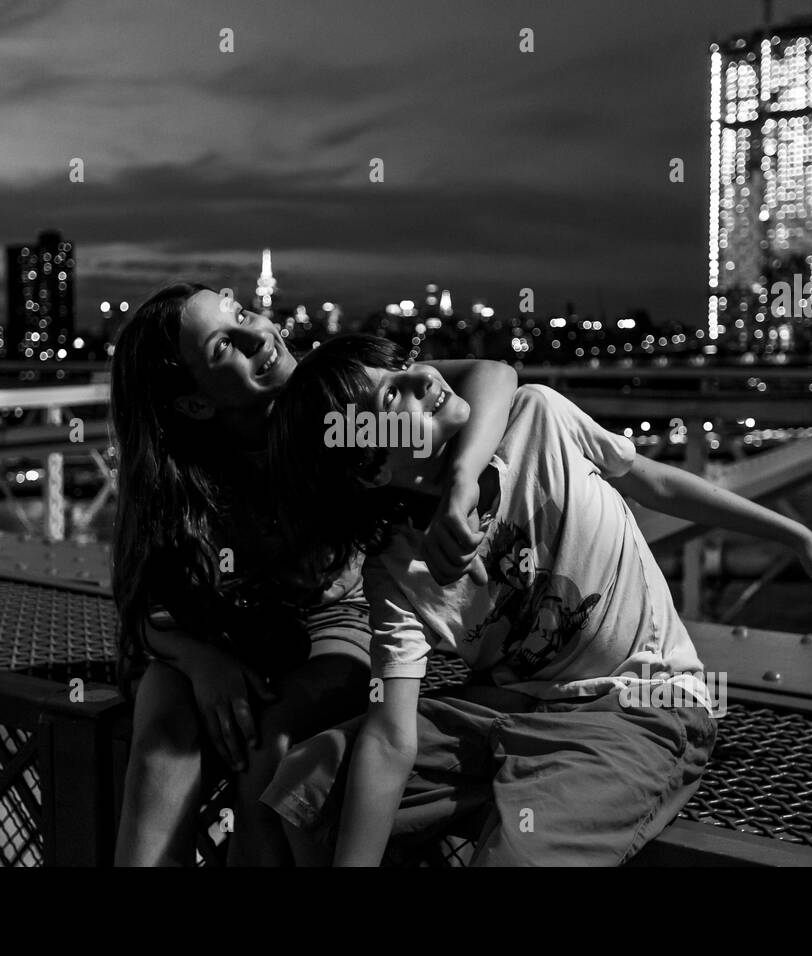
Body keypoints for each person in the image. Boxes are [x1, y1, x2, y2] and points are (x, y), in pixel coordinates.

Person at [262, 334, 812, 866]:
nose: (423, 379)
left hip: (638, 704)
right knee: (305, 786)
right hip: (505, 710)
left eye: (405, 368)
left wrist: (797, 536)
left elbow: (655, 481)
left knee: (518, 854)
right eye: (392, 400)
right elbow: (392, 737)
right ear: (367, 470)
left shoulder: (537, 418)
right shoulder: (396, 570)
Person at [109, 285, 518, 865]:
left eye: (242, 313)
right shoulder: (176, 474)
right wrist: (204, 663)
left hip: (341, 617)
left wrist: (462, 480)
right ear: (194, 404)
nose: (260, 334)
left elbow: (494, 375)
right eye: (227, 344)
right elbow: (142, 607)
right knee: (163, 733)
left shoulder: (332, 391)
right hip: (230, 632)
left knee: (269, 742)